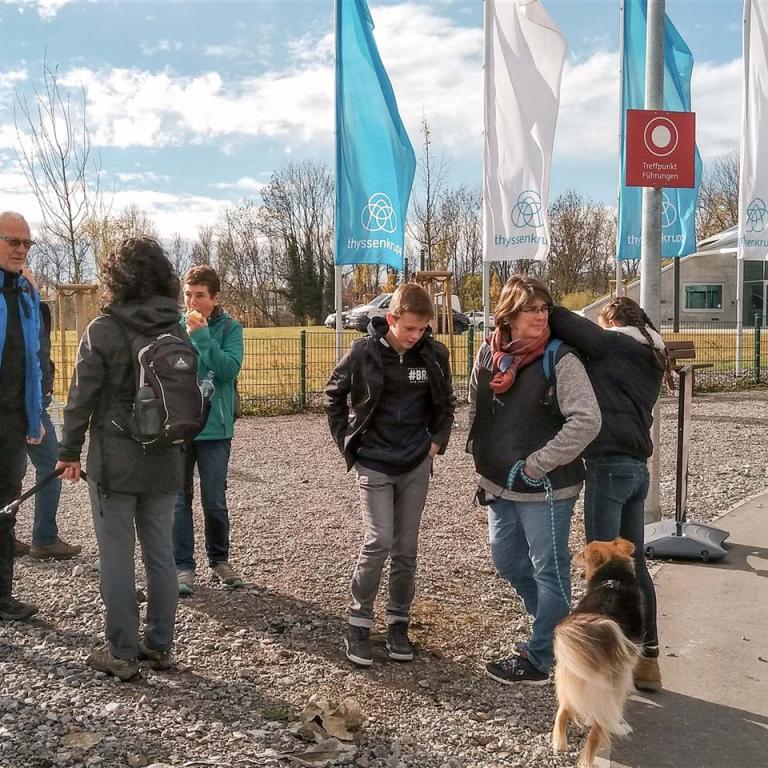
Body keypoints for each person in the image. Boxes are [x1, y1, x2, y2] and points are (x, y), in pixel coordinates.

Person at [56, 236, 183, 681]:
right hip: (166, 457)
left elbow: (81, 397)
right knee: (161, 554)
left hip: (115, 461)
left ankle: (122, 652)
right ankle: (160, 645)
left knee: (116, 557)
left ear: (115, 278)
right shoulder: (175, 327)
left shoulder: (104, 328)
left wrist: (69, 451)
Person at [468, 275, 601, 685]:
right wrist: (482, 457)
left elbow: (587, 420)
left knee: (550, 570)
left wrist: (538, 464)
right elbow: (476, 406)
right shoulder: (488, 354)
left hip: (548, 487)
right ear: (508, 316)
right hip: (499, 483)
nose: (541, 316)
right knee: (506, 559)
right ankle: (558, 628)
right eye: (531, 310)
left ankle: (541, 657)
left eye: (545, 309)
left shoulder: (561, 359)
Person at [325, 283, 455, 667]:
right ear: (392, 318)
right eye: (410, 328)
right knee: (378, 540)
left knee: (406, 549)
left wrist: (436, 443)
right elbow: (334, 394)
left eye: (423, 329)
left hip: (416, 463)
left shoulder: (434, 355)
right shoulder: (363, 352)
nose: (416, 336)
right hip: (374, 462)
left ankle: (399, 622)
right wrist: (348, 443)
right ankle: (358, 621)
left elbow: (447, 404)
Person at [548, 297, 666, 691]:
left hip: (608, 467)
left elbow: (567, 323)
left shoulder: (614, 344)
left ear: (612, 322)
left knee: (601, 569)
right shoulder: (651, 353)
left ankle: (603, 665)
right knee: (634, 566)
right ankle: (648, 660)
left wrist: (542, 299)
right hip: (637, 471)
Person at [173, 265, 244, 596]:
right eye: (188, 295)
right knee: (178, 500)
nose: (192, 302)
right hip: (179, 426)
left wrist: (201, 337)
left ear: (215, 298)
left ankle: (219, 560)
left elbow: (228, 369)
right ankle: (182, 566)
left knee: (214, 500)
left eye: (199, 295)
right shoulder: (174, 328)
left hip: (215, 429)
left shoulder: (230, 328)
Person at [15, 272, 81, 561]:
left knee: (13, 470)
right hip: (27, 401)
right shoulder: (22, 305)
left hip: (26, 400)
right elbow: (32, 357)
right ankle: (44, 538)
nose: (32, 276)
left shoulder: (31, 306)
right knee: (52, 465)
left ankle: (9, 536)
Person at [0, 211, 45, 622]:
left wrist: (35, 416)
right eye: (12, 241)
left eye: (27, 243)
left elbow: (32, 360)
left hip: (12, 422)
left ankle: (2, 598)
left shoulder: (25, 294)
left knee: (6, 510)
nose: (21, 250)